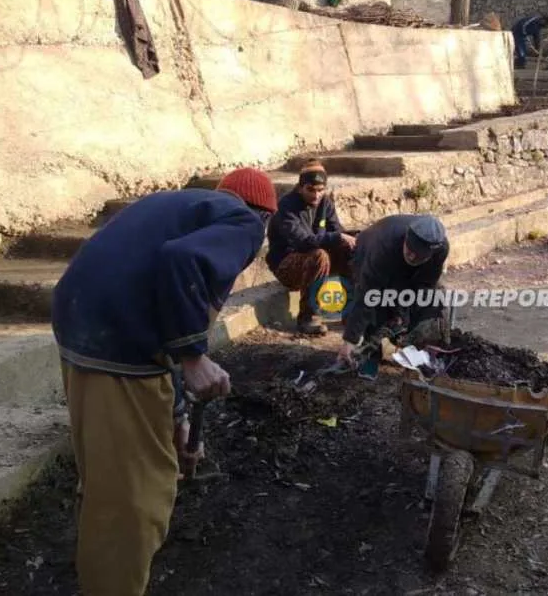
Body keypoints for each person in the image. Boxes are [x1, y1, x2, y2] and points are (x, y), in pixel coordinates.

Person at [51, 167, 279, 596]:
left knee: (107, 469)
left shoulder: (183, 207)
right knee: (136, 497)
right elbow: (180, 263)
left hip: (82, 320)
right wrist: (195, 359)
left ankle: (96, 563)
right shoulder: (243, 223)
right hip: (119, 340)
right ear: (265, 217)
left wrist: (178, 421)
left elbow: (164, 313)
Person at [337, 214, 451, 377]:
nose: (412, 256)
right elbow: (367, 297)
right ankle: (370, 354)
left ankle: (413, 347)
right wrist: (350, 340)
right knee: (377, 304)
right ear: (406, 239)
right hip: (366, 251)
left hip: (403, 265)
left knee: (428, 300)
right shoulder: (383, 248)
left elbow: (424, 285)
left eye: (419, 255)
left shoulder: (441, 249)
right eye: (410, 250)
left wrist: (405, 314)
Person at [266, 159, 357, 335]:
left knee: (349, 248)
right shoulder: (286, 207)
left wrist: (355, 238)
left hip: (316, 263)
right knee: (319, 255)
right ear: (300, 187)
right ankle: (309, 317)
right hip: (287, 265)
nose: (316, 195)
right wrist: (337, 236)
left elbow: (337, 232)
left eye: (320, 190)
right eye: (310, 190)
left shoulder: (325, 203)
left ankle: (351, 311)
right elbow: (302, 242)